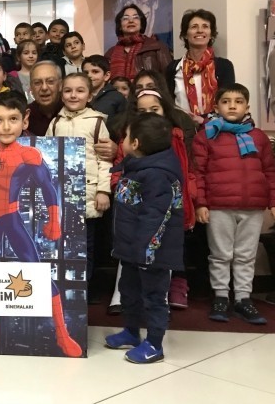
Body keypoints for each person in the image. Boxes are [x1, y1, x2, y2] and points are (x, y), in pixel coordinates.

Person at [0, 91, 82, 357]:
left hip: (11, 218)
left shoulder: (29, 155)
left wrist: (54, 220)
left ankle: (62, 334)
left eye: (12, 119)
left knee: (37, 272)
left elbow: (48, 187)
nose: (5, 126)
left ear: (24, 121)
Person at [193, 83, 275, 324]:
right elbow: (198, 173)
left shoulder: (258, 137)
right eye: (226, 101)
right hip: (218, 206)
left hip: (252, 206)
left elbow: (270, 171)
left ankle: (243, 299)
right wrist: (201, 203)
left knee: (246, 255)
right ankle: (221, 297)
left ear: (247, 106)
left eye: (238, 101)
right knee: (220, 254)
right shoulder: (207, 135)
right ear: (216, 107)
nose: (232, 106)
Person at [107, 87, 196, 314]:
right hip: (130, 234)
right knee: (128, 283)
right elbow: (119, 167)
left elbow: (157, 212)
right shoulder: (131, 152)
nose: (148, 115)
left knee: (155, 287)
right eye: (142, 110)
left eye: (154, 109)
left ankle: (155, 328)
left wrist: (144, 247)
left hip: (151, 239)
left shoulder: (163, 161)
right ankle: (128, 319)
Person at [104, 113, 184, 364]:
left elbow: (156, 216)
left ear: (136, 143)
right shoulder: (136, 166)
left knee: (153, 297)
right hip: (131, 248)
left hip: (152, 252)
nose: (123, 140)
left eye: (126, 136)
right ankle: (131, 331)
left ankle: (154, 344)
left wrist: (147, 250)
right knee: (129, 291)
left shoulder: (158, 174)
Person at [47, 73, 111, 284]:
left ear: (90, 96)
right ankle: (62, 287)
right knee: (61, 244)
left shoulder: (97, 122)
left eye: (80, 90)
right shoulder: (55, 123)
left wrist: (103, 190)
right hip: (60, 195)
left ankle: (84, 289)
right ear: (61, 94)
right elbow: (46, 156)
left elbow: (105, 160)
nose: (73, 95)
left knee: (85, 245)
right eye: (68, 90)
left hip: (87, 195)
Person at [166, 9, 235, 125]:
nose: (200, 30)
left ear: (211, 34)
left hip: (217, 129)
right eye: (194, 27)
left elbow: (229, 103)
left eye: (205, 26)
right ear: (185, 34)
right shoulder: (173, 68)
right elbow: (168, 105)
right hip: (182, 129)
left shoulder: (224, 66)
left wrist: (204, 121)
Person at [104, 3, 173, 80]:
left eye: (135, 17)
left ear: (141, 24)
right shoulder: (110, 54)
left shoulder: (157, 47)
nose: (131, 21)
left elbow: (169, 78)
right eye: (126, 18)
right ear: (120, 25)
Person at [82, 55, 126, 132]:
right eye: (86, 72)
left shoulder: (117, 97)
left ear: (106, 75)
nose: (89, 75)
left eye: (95, 72)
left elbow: (123, 125)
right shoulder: (78, 96)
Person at [27, 61, 63, 136]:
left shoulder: (73, 111)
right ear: (31, 88)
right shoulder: (25, 115)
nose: (44, 88)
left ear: (60, 85)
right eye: (37, 83)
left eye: (50, 81)